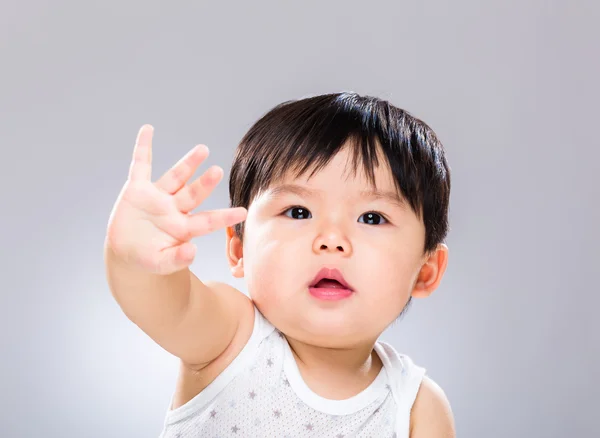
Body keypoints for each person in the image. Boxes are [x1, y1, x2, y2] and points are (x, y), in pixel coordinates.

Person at [104, 92, 455, 437]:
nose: (331, 240)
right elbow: (168, 307)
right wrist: (135, 260)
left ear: (425, 272)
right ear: (238, 249)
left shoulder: (416, 407)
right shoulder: (230, 338)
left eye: (372, 217)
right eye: (298, 212)